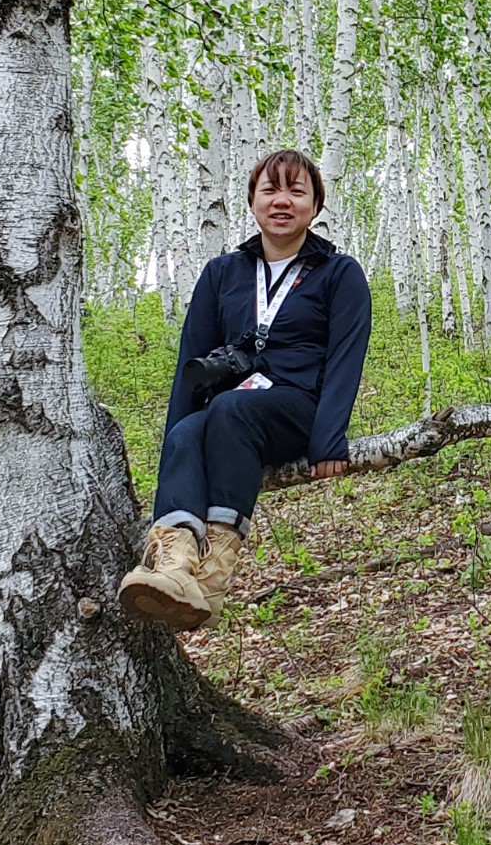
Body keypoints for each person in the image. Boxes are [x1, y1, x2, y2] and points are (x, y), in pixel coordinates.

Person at [118, 147, 372, 630]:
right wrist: (177, 441)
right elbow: (190, 363)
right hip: (227, 418)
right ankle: (174, 569)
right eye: (270, 189)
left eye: (296, 191)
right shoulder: (222, 273)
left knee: (231, 408)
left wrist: (329, 442)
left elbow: (345, 360)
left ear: (315, 207)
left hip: (296, 407)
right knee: (192, 428)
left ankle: (213, 576)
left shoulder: (340, 274)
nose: (282, 201)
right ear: (252, 201)